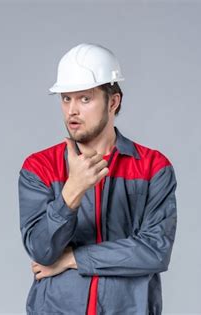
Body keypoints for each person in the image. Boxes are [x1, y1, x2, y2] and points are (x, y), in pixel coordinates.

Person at [17, 43, 177, 315]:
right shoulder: (39, 167)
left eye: (85, 99)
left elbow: (154, 251)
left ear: (113, 101)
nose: (72, 111)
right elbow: (42, 252)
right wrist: (71, 193)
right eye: (66, 98)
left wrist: (73, 259)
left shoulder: (153, 168)